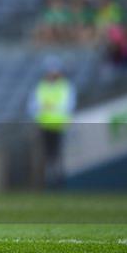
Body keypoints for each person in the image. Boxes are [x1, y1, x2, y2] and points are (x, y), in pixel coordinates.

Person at [27, 57, 76, 188]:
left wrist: (48, 107)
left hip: (59, 127)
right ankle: (45, 182)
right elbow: (32, 107)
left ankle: (58, 182)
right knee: (45, 156)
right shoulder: (41, 87)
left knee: (57, 155)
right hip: (43, 126)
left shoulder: (65, 87)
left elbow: (68, 106)